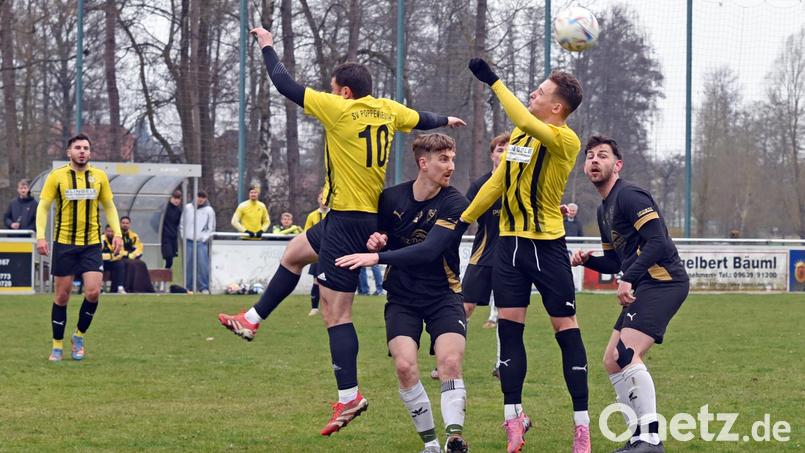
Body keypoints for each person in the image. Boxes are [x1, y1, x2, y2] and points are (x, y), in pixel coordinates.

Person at [218, 27, 465, 436]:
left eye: (334, 89)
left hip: (350, 220)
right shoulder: (386, 109)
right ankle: (252, 318)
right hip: (345, 216)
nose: (331, 93)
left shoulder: (338, 108)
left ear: (344, 92)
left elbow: (284, 84)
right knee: (294, 253)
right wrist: (446, 120)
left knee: (336, 313)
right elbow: (420, 119)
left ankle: (349, 396)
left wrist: (266, 44)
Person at [463, 58, 591, 453]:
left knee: (565, 330)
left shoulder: (566, 139)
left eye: (541, 91)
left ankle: (582, 426)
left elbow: (521, 115)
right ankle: (513, 418)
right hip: (509, 248)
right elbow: (497, 183)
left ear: (557, 107)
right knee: (508, 331)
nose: (533, 93)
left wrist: (494, 82)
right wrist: (461, 221)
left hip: (547, 247)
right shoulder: (520, 136)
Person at [335, 133, 470, 453]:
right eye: (443, 159)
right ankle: (431, 444)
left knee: (450, 361)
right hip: (402, 297)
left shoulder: (455, 203)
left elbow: (429, 250)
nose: (451, 166)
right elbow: (378, 233)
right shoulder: (391, 198)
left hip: (443, 295)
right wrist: (377, 240)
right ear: (423, 163)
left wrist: (377, 257)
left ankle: (454, 437)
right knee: (405, 366)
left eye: (452, 159)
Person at [571, 136, 689, 453]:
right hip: (646, 283)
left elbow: (658, 242)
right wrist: (588, 261)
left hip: (665, 282)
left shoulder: (629, 196)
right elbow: (616, 261)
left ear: (618, 165)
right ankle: (638, 437)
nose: (595, 160)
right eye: (590, 156)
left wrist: (628, 278)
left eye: (603, 155)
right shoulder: (603, 210)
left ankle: (650, 438)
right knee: (612, 360)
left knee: (626, 353)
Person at [36, 133, 123, 361]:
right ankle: (57, 345)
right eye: (78, 148)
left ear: (90, 152)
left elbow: (109, 206)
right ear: (69, 152)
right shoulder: (57, 176)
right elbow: (43, 206)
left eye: (85, 148)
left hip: (91, 244)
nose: (82, 151)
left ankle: (78, 336)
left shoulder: (99, 176)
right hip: (64, 244)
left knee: (93, 292)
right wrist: (41, 237)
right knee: (62, 296)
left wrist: (118, 234)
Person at [180, 190, 215, 293]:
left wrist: (204, 238)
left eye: (203, 197)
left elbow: (211, 227)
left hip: (201, 242)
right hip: (188, 241)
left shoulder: (209, 210)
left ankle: (204, 287)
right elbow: (182, 223)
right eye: (199, 197)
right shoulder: (187, 208)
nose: (200, 199)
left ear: (205, 199)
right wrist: (183, 236)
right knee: (188, 265)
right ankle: (188, 287)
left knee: (203, 265)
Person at [304, 191, 329, 316]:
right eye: (321, 198)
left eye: (326, 198)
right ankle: (314, 308)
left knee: (331, 281)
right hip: (317, 252)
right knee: (316, 280)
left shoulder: (334, 214)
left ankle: (330, 308)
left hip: (331, 252)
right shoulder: (312, 215)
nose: (324, 201)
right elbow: (306, 232)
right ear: (318, 200)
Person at [120, 216, 154, 293]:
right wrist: (127, 254)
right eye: (123, 223)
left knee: (141, 264)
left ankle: (143, 288)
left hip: (132, 257)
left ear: (129, 225)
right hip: (120, 258)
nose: (125, 225)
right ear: (120, 224)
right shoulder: (117, 235)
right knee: (132, 264)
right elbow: (117, 249)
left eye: (127, 223)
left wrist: (133, 255)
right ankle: (130, 288)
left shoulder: (133, 236)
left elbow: (139, 247)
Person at [161, 190, 183, 268]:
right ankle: (164, 273)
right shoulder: (164, 208)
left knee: (170, 260)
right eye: (175, 198)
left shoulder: (179, 210)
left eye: (178, 198)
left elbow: (179, 223)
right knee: (168, 256)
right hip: (165, 237)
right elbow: (154, 221)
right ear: (170, 198)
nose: (176, 200)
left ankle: (165, 273)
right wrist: (161, 231)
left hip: (173, 236)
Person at [102, 225, 126, 293]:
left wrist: (111, 257)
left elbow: (121, 253)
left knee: (120, 264)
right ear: (105, 231)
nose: (110, 233)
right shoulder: (101, 239)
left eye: (112, 231)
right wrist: (111, 256)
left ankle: (120, 287)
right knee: (98, 264)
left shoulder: (118, 239)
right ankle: (100, 288)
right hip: (103, 262)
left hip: (113, 261)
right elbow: (98, 254)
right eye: (108, 231)